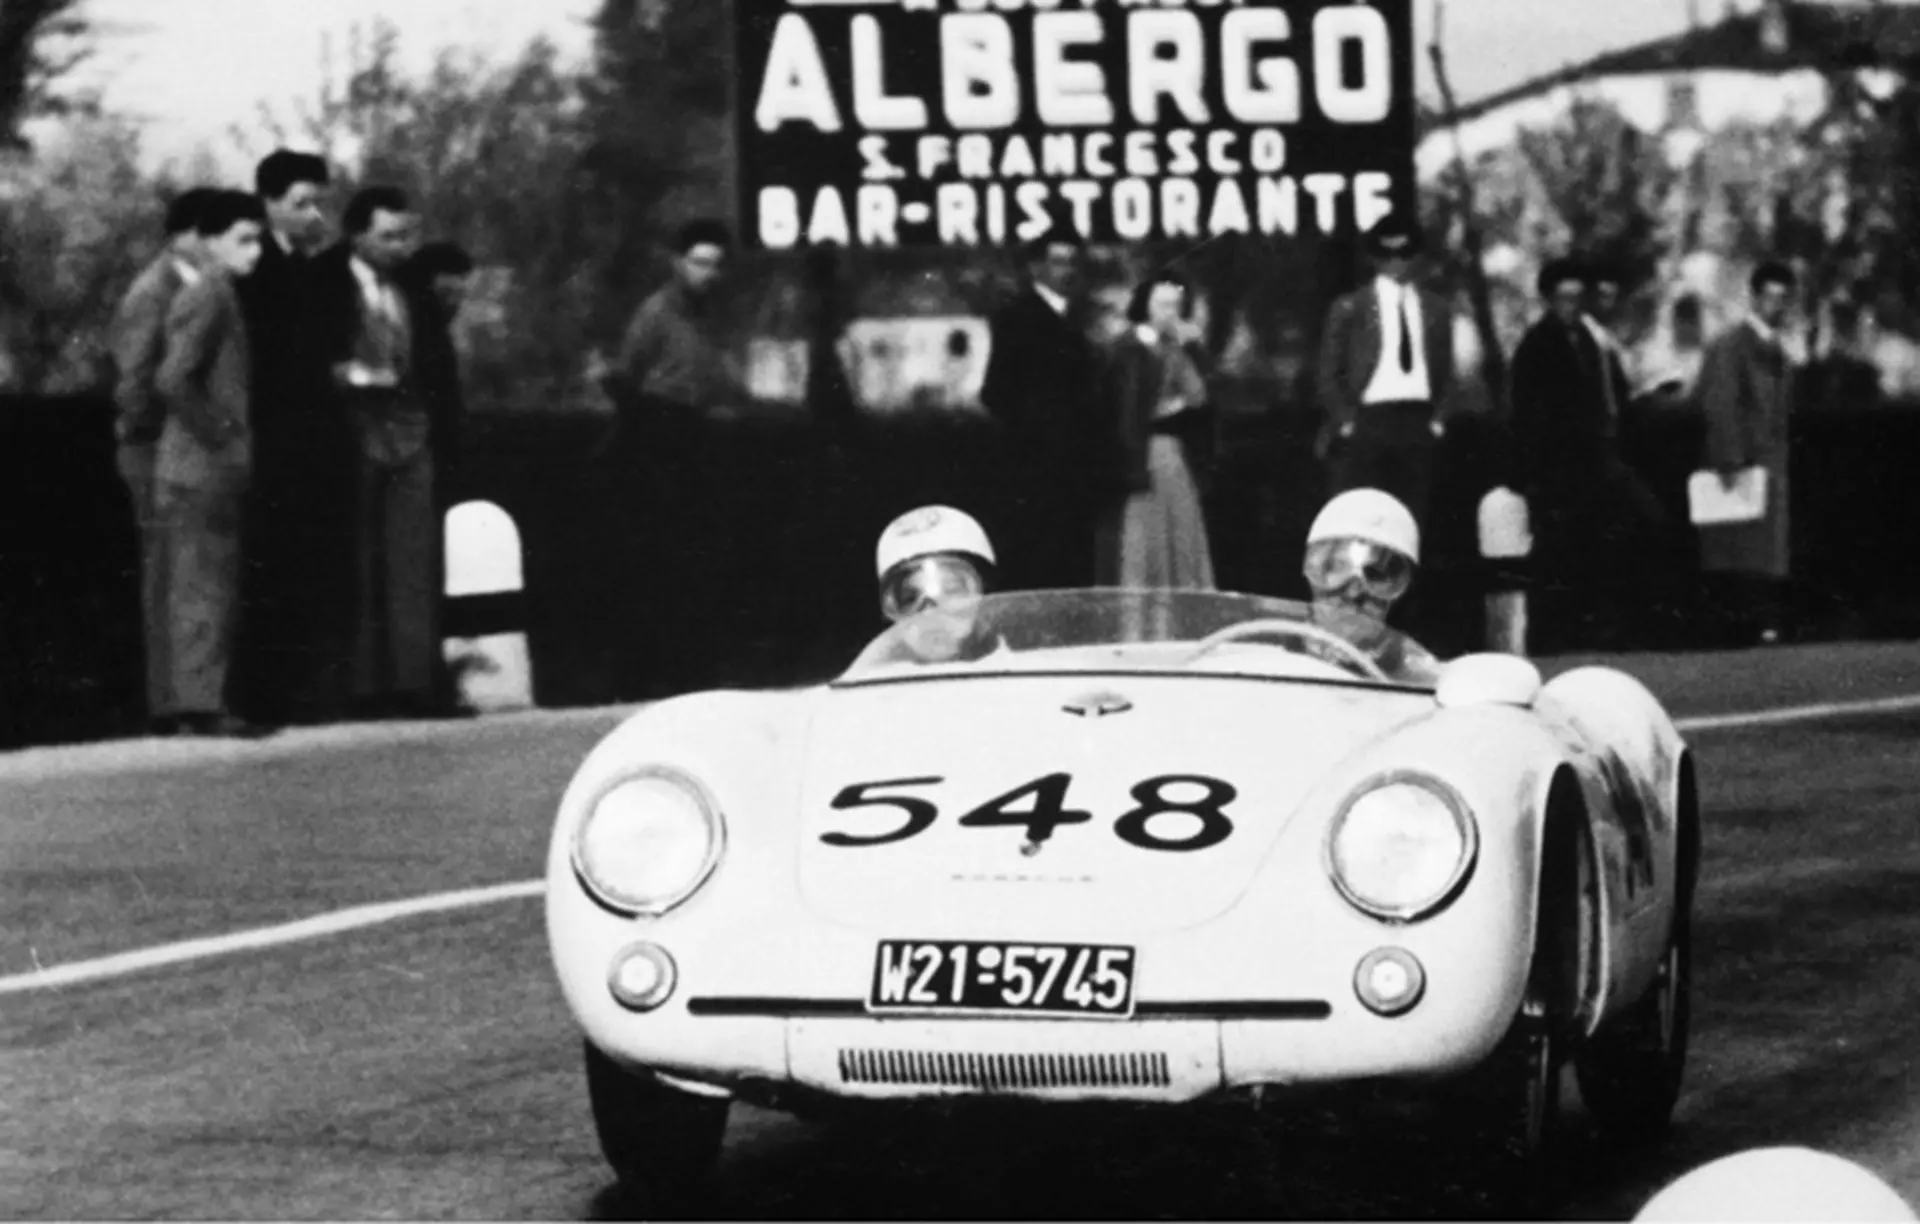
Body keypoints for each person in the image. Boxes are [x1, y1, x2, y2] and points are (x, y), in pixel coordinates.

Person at [597, 218, 742, 700]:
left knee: (694, 558)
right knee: (656, 560)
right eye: (699, 263)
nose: (708, 274)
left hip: (695, 434)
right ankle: (644, 673)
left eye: (716, 265)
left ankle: (688, 668)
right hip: (658, 434)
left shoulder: (711, 317)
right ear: (679, 263)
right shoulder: (656, 314)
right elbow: (627, 377)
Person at [311, 186, 439, 719]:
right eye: (387, 236)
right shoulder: (322, 282)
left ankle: (415, 684)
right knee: (357, 560)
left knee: (413, 559)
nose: (399, 246)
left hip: (409, 433)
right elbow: (310, 358)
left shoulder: (412, 285)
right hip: (353, 434)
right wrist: (357, 376)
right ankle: (361, 688)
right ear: (357, 235)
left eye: (406, 235)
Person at [151, 190, 272, 737]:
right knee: (203, 586)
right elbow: (173, 378)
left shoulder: (221, 293)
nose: (255, 252)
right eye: (243, 240)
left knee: (206, 585)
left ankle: (201, 700)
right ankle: (200, 704)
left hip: (203, 470)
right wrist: (221, 433)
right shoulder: (211, 295)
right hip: (200, 468)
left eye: (258, 241)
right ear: (211, 241)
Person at [239, 148, 352, 726]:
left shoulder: (309, 271)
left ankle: (299, 691)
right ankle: (266, 694)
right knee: (269, 567)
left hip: (307, 445)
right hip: (272, 441)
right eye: (301, 203)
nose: (314, 215)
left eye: (319, 203)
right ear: (269, 205)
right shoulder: (256, 271)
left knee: (303, 565)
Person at [1509, 256, 1665, 650]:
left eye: (1578, 297)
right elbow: (1526, 413)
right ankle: (1547, 638)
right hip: (1558, 468)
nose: (1571, 306)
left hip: (1595, 463)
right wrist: (1533, 474)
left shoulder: (1591, 341)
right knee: (1554, 555)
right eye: (1563, 298)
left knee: (1595, 548)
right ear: (1549, 299)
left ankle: (1593, 630)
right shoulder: (1537, 344)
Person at [109, 186, 220, 735]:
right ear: (185, 236)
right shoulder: (153, 291)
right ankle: (172, 705)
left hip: (182, 450)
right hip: (154, 450)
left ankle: (193, 699)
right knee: (164, 575)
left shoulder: (199, 286)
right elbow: (134, 380)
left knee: (188, 574)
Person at [979, 217, 1111, 592]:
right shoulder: (1017, 317)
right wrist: (1036, 435)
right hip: (1035, 472)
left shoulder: (1080, 318)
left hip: (1075, 472)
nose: (1067, 271)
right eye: (1058, 261)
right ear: (1036, 267)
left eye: (1073, 261)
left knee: (1074, 564)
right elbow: (996, 392)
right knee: (1039, 563)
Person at [1315, 216, 1458, 534]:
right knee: (1363, 515)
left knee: (1412, 517)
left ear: (1418, 256)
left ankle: (1407, 584)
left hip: (1417, 419)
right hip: (1368, 420)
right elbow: (1328, 371)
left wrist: (1438, 421)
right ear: (1373, 258)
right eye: (1386, 254)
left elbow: (1447, 370)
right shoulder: (1352, 306)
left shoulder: (1435, 308)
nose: (1397, 262)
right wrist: (1347, 421)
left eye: (1405, 253)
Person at [1696, 259, 1801, 645]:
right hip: (1743, 464)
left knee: (1763, 553)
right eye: (1771, 297)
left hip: (1771, 464)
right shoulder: (1732, 345)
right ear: (1755, 298)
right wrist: (1730, 458)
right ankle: (1746, 626)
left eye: (1785, 299)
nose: (1778, 306)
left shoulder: (1777, 350)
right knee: (1740, 550)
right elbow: (1721, 403)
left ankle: (1761, 624)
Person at [1099, 269, 1218, 593]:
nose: (1170, 312)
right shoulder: (1126, 349)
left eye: (1175, 305)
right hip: (1140, 457)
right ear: (1145, 305)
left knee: (1178, 537)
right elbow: (1123, 410)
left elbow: (1200, 395)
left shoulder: (1176, 349)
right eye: (1162, 304)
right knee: (1141, 543)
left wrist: (1192, 349)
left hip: (1169, 453)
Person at [1300, 488, 1443, 684]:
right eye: (1335, 567)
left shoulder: (1420, 682)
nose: (1353, 592)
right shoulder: (1265, 655)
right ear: (1312, 568)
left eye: (1377, 575)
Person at [873, 505, 1004, 664]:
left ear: (988, 595)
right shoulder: (873, 685)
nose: (929, 613)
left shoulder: (1030, 676)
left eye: (952, 591)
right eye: (908, 599)